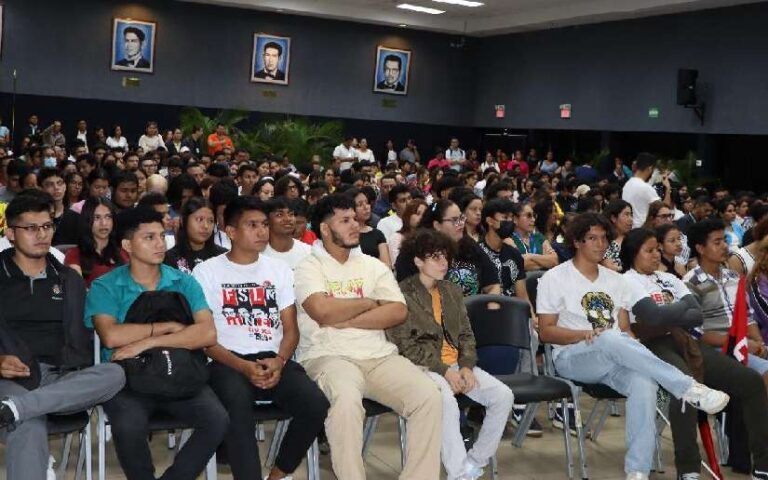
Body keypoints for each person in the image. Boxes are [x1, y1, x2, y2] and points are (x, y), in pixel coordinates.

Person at [537, 213, 729, 480]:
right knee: (607, 337)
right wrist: (587, 335)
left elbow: (625, 329)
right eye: (592, 238)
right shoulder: (555, 277)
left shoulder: (616, 280)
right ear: (577, 242)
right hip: (573, 356)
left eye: (604, 238)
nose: (600, 244)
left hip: (614, 355)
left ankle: (637, 470)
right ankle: (686, 387)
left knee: (643, 382)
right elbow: (546, 332)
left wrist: (632, 350)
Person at [294, 194, 442, 480]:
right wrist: (369, 302)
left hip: (379, 356)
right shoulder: (308, 266)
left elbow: (398, 311)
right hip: (329, 356)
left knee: (428, 396)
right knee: (346, 401)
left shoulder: (372, 265)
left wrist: (346, 318)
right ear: (325, 228)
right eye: (345, 220)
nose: (355, 225)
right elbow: (322, 311)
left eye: (355, 218)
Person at [85, 206, 228, 480]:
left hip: (180, 371)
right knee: (128, 424)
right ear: (127, 245)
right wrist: (168, 327)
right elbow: (112, 336)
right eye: (149, 237)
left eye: (162, 236)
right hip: (128, 379)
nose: (160, 244)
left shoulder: (183, 281)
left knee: (217, 419)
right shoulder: (106, 285)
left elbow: (207, 334)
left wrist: (144, 343)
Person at [193, 196, 328, 480]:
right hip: (226, 362)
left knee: (315, 404)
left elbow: (290, 330)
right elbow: (205, 339)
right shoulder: (206, 272)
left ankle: (277, 475)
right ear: (231, 231)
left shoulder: (278, 270)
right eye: (252, 225)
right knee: (237, 408)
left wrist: (280, 360)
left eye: (264, 224)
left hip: (272, 358)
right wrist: (243, 367)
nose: (261, 231)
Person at [621, 228, 768, 480]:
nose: (656, 255)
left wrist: (668, 315)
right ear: (633, 253)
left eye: (657, 250)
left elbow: (697, 315)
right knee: (686, 387)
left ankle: (763, 464)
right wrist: (678, 311)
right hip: (651, 343)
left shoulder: (669, 278)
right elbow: (652, 317)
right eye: (649, 250)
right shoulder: (627, 280)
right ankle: (688, 469)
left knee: (751, 381)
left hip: (685, 340)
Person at [0, 193, 125, 480]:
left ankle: (15, 409)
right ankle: (19, 408)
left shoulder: (69, 279)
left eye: (47, 226)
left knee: (115, 373)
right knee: (29, 425)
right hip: (10, 378)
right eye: (31, 228)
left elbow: (87, 335)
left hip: (61, 376)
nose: (41, 234)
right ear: (11, 234)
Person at [387, 229, 515, 480]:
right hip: (422, 367)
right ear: (418, 261)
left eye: (445, 256)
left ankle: (474, 462)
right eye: (435, 257)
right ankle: (458, 473)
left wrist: (466, 365)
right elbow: (406, 347)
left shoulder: (451, 291)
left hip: (456, 363)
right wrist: (445, 371)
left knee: (503, 396)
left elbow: (466, 334)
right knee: (445, 401)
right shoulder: (402, 295)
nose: (444, 262)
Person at [683, 219, 768, 383]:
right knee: (765, 371)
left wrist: (758, 343)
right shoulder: (691, 283)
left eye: (724, 240)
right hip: (715, 348)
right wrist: (740, 342)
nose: (724, 246)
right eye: (717, 242)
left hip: (743, 343)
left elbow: (747, 317)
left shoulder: (733, 277)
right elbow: (696, 333)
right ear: (700, 249)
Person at [397, 199, 501, 297]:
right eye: (454, 220)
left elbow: (493, 285)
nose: (461, 224)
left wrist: (489, 305)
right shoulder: (413, 253)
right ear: (437, 225)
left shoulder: (469, 246)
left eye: (461, 218)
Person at [65, 196, 125, 288]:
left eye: (108, 217)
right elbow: (77, 291)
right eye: (97, 217)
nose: (104, 223)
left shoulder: (124, 252)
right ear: (87, 220)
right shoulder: (74, 255)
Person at [164, 196, 227, 273]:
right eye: (199, 219)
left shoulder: (223, 256)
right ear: (183, 221)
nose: (206, 226)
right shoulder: (169, 258)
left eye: (210, 221)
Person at [622, 153, 671, 228]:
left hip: (630, 229)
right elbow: (664, 210)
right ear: (650, 168)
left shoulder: (627, 185)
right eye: (653, 170)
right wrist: (668, 188)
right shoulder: (645, 188)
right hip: (643, 231)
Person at [263, 197, 311, 270]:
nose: (287, 219)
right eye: (279, 215)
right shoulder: (258, 253)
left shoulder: (308, 252)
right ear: (267, 221)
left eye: (291, 214)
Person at [347, 188, 391, 267]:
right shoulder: (344, 234)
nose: (366, 207)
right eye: (360, 205)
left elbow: (386, 265)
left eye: (367, 203)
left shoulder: (377, 234)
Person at [510, 202, 558, 271]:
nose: (533, 219)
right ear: (515, 219)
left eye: (534, 216)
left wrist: (530, 256)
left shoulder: (538, 236)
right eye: (529, 215)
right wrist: (544, 261)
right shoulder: (509, 239)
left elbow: (554, 261)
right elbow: (521, 264)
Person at [388, 198, 427, 264]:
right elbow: (396, 264)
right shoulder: (397, 238)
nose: (421, 217)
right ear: (408, 215)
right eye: (418, 214)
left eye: (424, 215)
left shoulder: (430, 237)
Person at [601, 199, 633, 272]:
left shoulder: (634, 238)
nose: (630, 219)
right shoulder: (603, 241)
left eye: (631, 215)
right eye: (626, 215)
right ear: (613, 218)